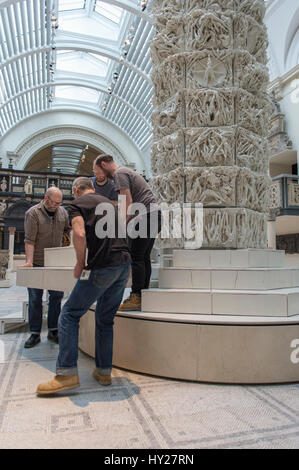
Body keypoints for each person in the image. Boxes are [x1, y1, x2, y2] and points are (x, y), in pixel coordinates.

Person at [36, 177, 131, 395]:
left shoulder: (77, 205)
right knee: (105, 319)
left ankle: (66, 373)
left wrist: (80, 263)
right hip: (124, 265)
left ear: (76, 190)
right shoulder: (108, 202)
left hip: (104, 265)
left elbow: (79, 234)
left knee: (69, 314)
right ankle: (104, 371)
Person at [95, 154, 161, 311]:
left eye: (98, 171)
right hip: (154, 215)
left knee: (137, 257)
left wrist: (122, 226)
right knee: (143, 257)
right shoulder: (126, 172)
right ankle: (142, 294)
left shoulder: (119, 174)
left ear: (104, 164)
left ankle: (136, 296)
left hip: (144, 216)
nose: (99, 176)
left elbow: (127, 202)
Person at [19, 187, 71, 348]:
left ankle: (53, 330)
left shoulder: (63, 213)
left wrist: (67, 251)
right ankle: (34, 333)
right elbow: (29, 240)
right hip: (37, 261)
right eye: (54, 202)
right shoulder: (33, 213)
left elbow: (67, 231)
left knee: (56, 297)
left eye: (59, 203)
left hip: (56, 262)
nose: (56, 205)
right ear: (45, 198)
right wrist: (29, 261)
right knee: (35, 298)